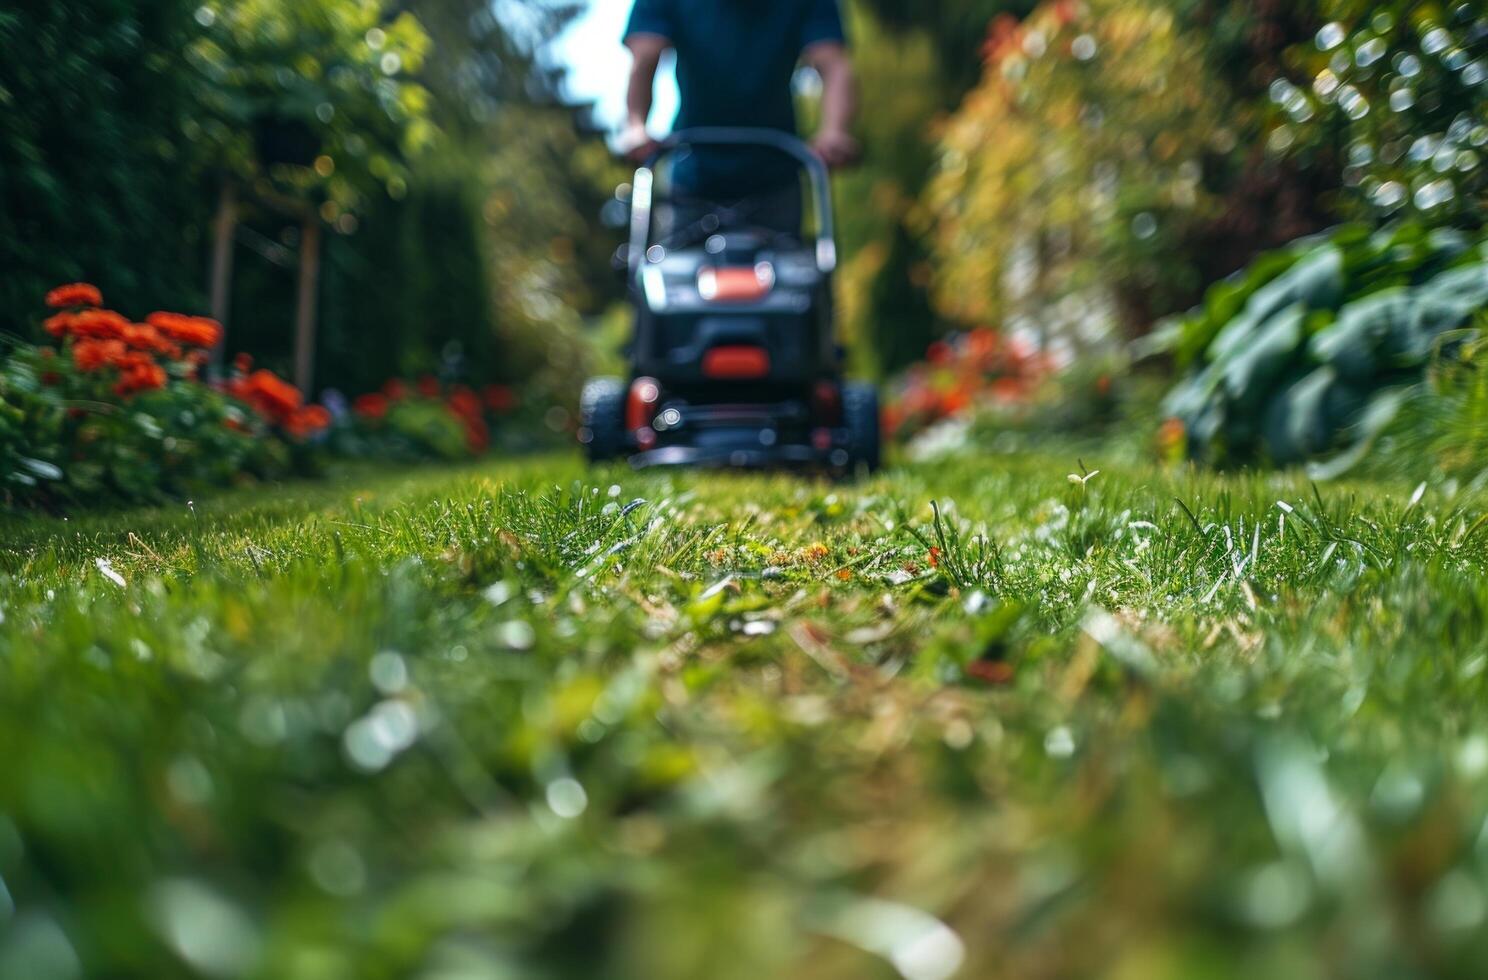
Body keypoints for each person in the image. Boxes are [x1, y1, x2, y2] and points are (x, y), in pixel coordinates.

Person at [620, 0, 858, 239]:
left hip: (776, 179)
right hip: (692, 180)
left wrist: (834, 131)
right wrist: (636, 125)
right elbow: (644, 59)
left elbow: (834, 65)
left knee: (795, 272)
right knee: (672, 271)